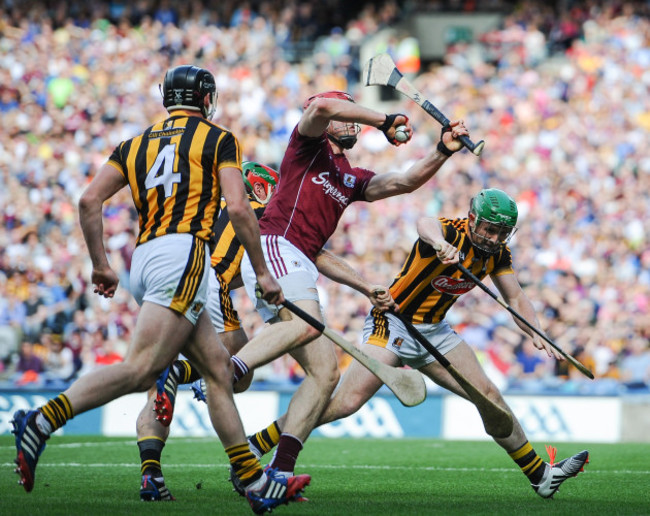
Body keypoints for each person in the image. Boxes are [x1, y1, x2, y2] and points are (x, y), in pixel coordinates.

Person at [10, 65, 310, 513]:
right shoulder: (217, 138)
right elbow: (239, 208)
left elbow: (89, 200)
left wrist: (101, 266)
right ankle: (41, 421)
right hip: (185, 253)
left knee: (217, 371)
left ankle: (253, 480)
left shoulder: (133, 144)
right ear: (206, 99)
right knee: (141, 370)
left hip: (144, 257)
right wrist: (264, 274)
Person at [240, 188, 590, 499]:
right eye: (488, 228)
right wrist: (441, 245)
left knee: (490, 396)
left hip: (435, 330)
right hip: (392, 321)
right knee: (347, 402)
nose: (494, 237)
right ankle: (263, 441)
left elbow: (515, 297)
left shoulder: (498, 255)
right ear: (472, 220)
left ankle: (541, 475)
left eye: (501, 232)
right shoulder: (449, 231)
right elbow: (425, 223)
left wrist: (536, 331)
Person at [233, 90, 470, 480]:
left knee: (326, 376)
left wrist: (443, 150)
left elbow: (406, 181)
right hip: (276, 247)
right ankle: (229, 370)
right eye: (347, 115)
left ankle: (278, 472)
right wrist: (384, 119)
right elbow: (323, 108)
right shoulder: (306, 147)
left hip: (302, 263)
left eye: (353, 116)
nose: (352, 122)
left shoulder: (351, 179)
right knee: (309, 325)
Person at [145, 160, 393, 500]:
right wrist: (365, 285)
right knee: (240, 375)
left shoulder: (209, 207)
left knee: (161, 373)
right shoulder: (263, 213)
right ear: (262, 188)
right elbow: (317, 255)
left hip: (168, 280)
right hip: (209, 286)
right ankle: (193, 378)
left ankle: (151, 473)